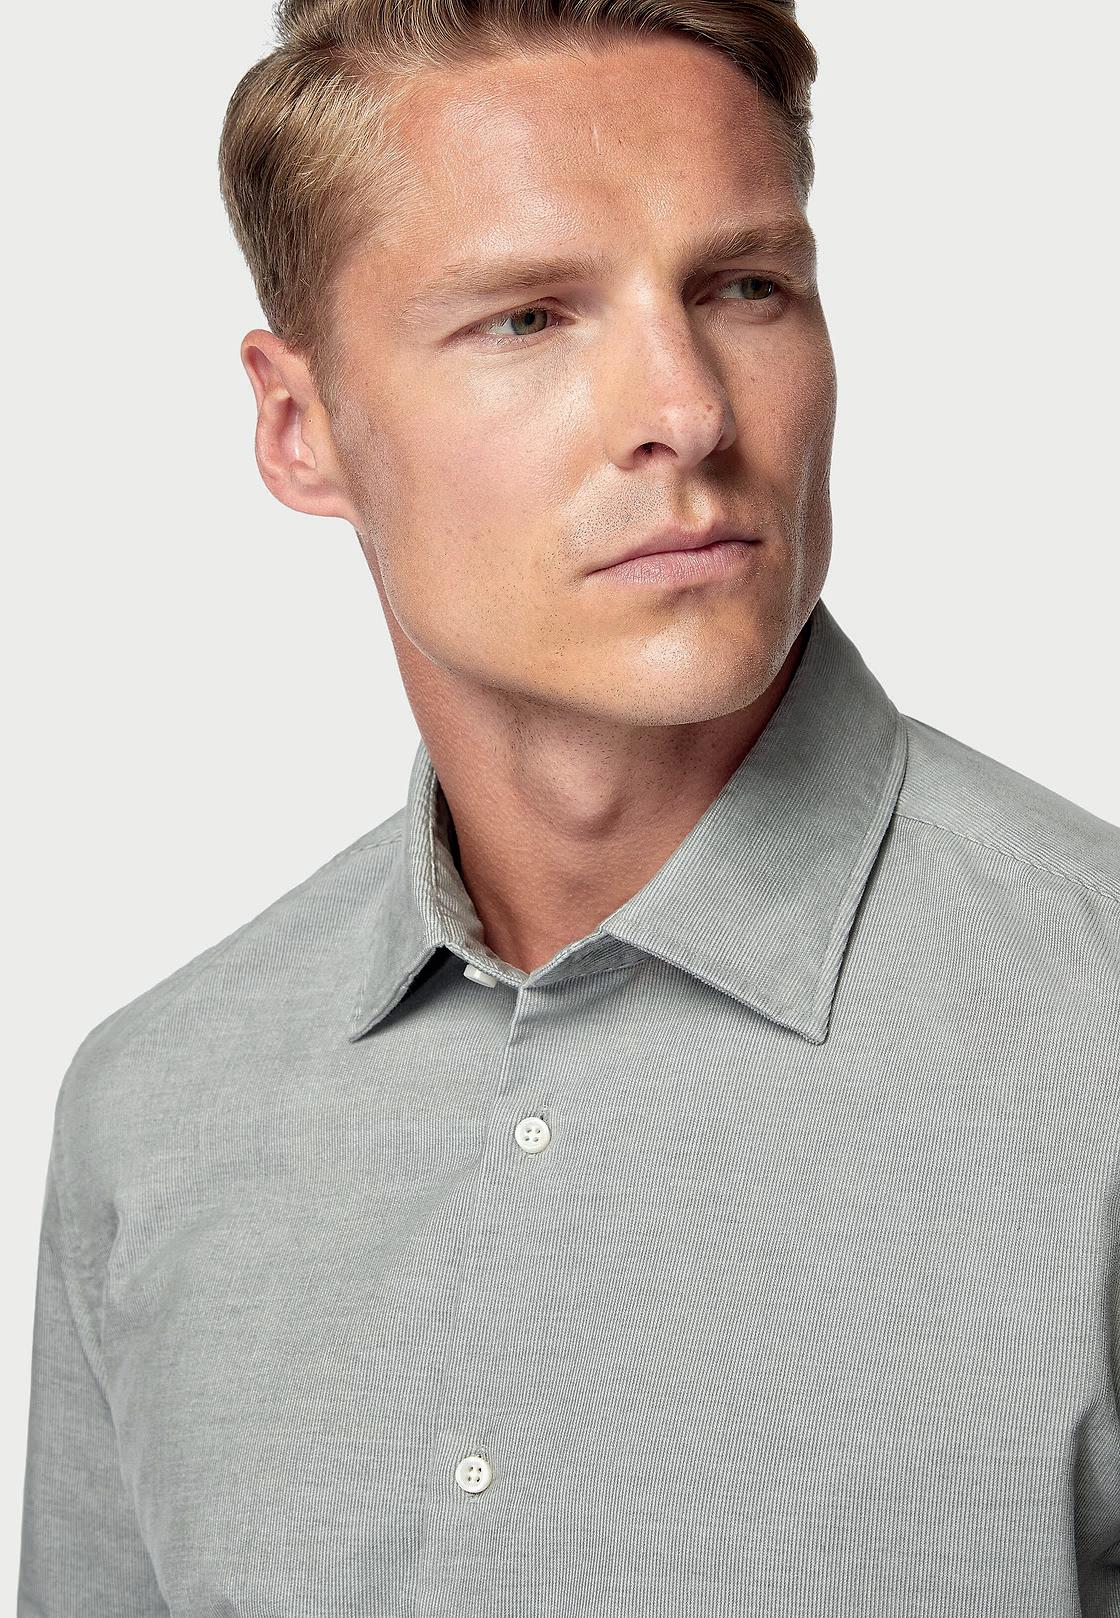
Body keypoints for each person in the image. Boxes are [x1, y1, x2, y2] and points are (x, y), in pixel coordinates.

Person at [18, 0, 1119, 1612]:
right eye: (530, 317)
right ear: (299, 426)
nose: (690, 410)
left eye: (745, 288)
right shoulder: (156, 1110)